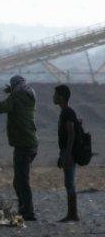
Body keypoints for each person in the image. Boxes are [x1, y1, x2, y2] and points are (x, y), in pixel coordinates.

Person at [0, 75, 39, 221]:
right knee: (20, 181)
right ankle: (24, 209)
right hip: (32, 143)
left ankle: (28, 212)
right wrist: (12, 92)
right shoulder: (30, 95)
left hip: (23, 144)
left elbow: (1, 108)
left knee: (21, 181)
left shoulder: (15, 98)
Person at [53, 84, 79, 222]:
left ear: (61, 97)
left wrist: (68, 154)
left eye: (56, 95)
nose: (53, 97)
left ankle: (72, 214)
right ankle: (71, 214)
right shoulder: (65, 112)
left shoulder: (67, 113)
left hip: (69, 153)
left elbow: (71, 132)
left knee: (70, 183)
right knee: (68, 182)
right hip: (65, 152)